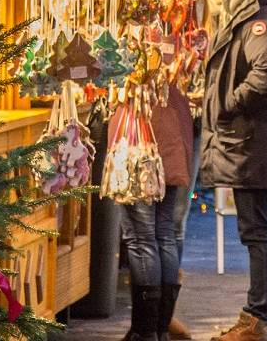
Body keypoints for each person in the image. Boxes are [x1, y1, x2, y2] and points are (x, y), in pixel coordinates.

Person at [199, 0, 267, 341]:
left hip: (253, 140)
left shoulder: (261, 20)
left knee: (257, 228)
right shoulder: (241, 17)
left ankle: (257, 317)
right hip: (247, 140)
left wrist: (227, 104)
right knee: (256, 227)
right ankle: (258, 317)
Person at [119, 83, 195, 341]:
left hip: (140, 135)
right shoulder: (180, 61)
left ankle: (145, 330)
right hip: (175, 134)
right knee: (164, 233)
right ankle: (160, 329)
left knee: (142, 238)